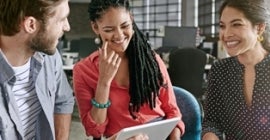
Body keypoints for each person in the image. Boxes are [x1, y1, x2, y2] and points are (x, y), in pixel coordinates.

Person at [72, 0, 185, 140]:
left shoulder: (151, 60)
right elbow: (94, 130)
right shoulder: (83, 71)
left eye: (125, 26)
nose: (119, 35)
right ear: (95, 27)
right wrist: (103, 82)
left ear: (131, 19)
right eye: (109, 30)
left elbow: (172, 112)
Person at [0, 0, 74, 140]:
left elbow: (63, 101)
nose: (67, 27)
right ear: (31, 25)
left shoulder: (50, 57)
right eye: (62, 19)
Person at [202, 0, 270, 139]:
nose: (226, 34)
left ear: (259, 28)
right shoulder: (220, 69)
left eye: (236, 24)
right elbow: (212, 121)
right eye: (222, 26)